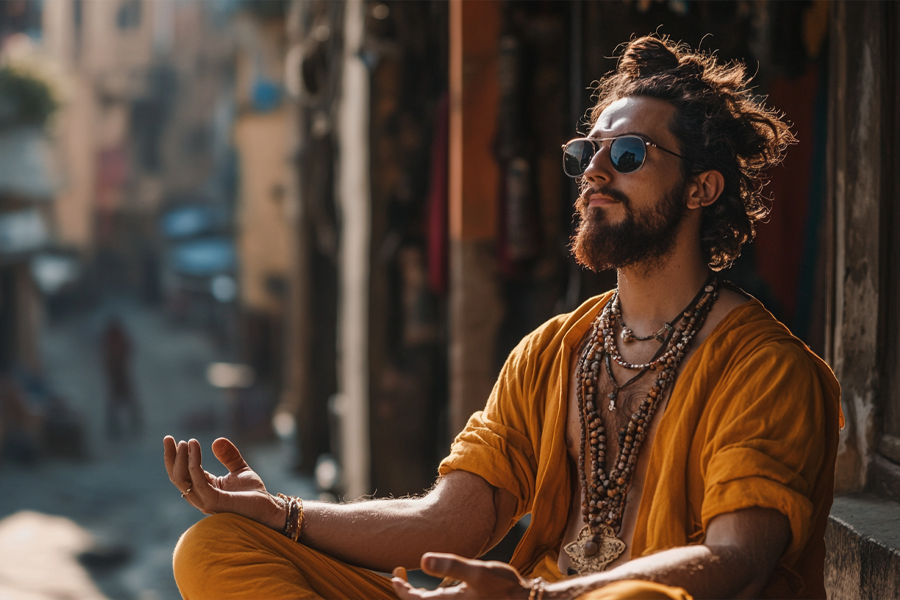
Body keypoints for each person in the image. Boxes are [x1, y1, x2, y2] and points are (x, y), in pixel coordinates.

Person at [163, 36, 841, 600]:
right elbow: (451, 521)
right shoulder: (551, 352)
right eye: (587, 154)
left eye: (628, 155)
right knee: (215, 548)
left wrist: (544, 598)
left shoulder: (767, 369)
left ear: (702, 187)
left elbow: (735, 561)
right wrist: (281, 514)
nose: (595, 173)